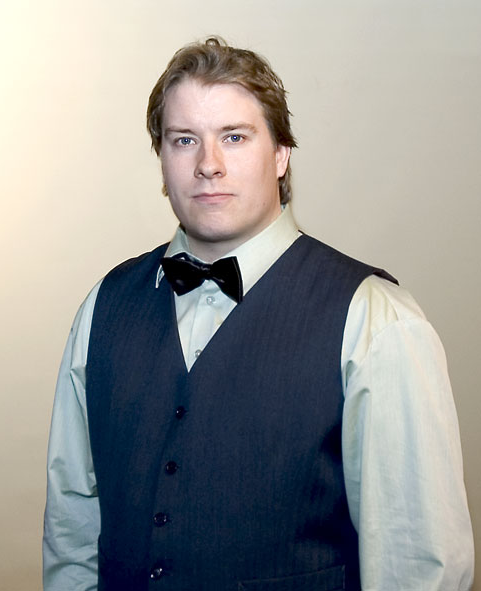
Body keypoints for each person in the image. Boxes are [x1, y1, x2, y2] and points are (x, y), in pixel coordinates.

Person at [43, 37, 474, 591]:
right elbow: (72, 530)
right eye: (184, 140)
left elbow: (417, 565)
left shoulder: (375, 319)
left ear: (280, 155)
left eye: (235, 137)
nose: (209, 165)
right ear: (162, 161)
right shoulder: (103, 307)